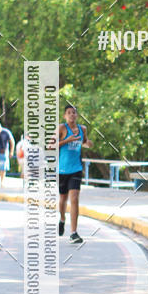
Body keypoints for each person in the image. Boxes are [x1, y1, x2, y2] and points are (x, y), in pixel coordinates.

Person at [55, 104, 93, 244]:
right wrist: (67, 140)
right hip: (62, 170)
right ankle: (62, 219)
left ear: (77, 115)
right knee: (63, 199)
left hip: (76, 168)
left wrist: (89, 143)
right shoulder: (62, 128)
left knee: (75, 198)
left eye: (74, 113)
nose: (72, 115)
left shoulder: (83, 129)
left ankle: (73, 232)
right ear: (65, 116)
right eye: (69, 113)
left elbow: (84, 142)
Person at [0, 122, 15, 187]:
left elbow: (12, 142)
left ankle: (2, 182)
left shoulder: (6, 132)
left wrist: (11, 152)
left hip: (4, 153)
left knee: (3, 168)